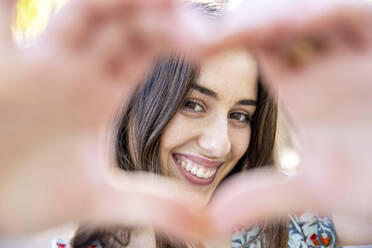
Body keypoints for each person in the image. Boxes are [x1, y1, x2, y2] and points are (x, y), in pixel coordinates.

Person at [0, 0, 212, 240]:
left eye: (240, 116)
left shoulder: (256, 234)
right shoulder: (59, 227)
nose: (219, 144)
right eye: (192, 105)